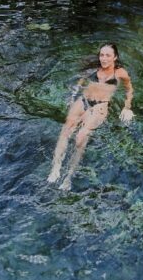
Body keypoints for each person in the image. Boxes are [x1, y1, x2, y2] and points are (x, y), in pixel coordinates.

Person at [47, 43, 134, 189]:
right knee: (66, 130)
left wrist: (127, 108)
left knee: (81, 138)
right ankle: (55, 169)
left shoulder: (120, 73)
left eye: (108, 55)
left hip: (100, 106)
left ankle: (68, 176)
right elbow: (80, 82)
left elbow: (129, 90)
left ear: (115, 57)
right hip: (83, 101)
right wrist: (73, 94)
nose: (104, 58)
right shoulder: (93, 68)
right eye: (102, 55)